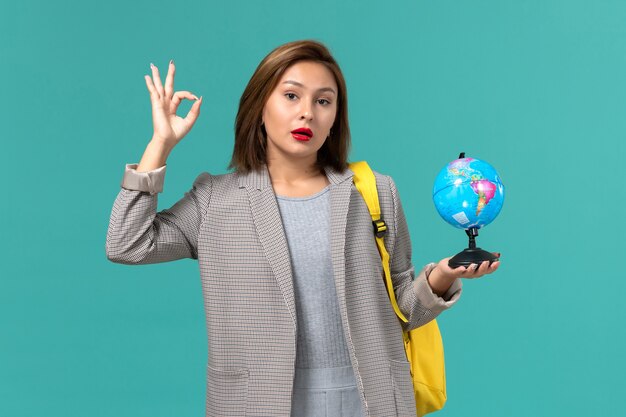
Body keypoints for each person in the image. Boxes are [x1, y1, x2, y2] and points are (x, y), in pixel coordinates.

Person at [105, 40, 500, 417]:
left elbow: (403, 310)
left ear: (335, 117)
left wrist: (442, 278)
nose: (307, 112)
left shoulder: (375, 192)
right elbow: (127, 242)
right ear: (260, 106)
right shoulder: (215, 200)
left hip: (370, 400)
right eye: (291, 96)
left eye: (323, 101)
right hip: (259, 402)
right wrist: (160, 144)